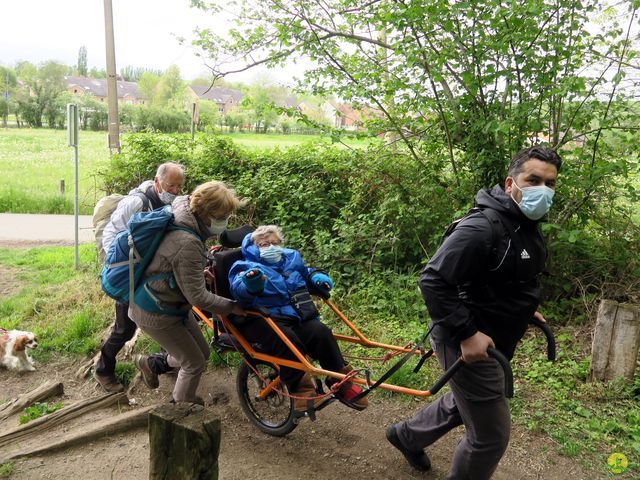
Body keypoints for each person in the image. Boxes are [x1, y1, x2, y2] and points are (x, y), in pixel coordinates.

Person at [386, 146, 561, 478]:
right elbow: (433, 281)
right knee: (490, 437)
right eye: (533, 180)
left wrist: (526, 311)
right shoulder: (482, 227)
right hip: (464, 338)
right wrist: (467, 334)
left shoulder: (524, 222)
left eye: (550, 184)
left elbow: (508, 277)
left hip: (495, 337)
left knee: (467, 401)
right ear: (511, 183)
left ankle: (406, 436)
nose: (543, 190)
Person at [129, 180, 247, 404]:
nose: (224, 222)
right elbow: (198, 297)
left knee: (201, 354)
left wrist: (197, 274)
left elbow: (168, 263)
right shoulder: (189, 242)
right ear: (207, 214)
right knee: (194, 363)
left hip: (167, 300)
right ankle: (181, 409)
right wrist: (232, 307)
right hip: (156, 311)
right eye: (222, 216)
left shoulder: (183, 210)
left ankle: (150, 364)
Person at [228, 225, 368, 412]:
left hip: (295, 315)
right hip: (262, 319)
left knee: (322, 333)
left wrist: (316, 277)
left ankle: (341, 382)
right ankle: (302, 393)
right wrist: (250, 284)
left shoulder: (291, 258)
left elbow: (305, 272)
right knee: (289, 342)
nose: (270, 247)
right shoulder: (246, 266)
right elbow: (238, 289)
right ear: (255, 246)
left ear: (281, 244)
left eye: (274, 243)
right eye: (264, 244)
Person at [95, 162, 186, 393]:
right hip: (131, 275)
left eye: (179, 186)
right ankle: (103, 370)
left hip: (155, 275)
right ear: (157, 182)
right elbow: (111, 233)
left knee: (167, 319)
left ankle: (162, 364)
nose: (175, 191)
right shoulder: (136, 203)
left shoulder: (174, 203)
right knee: (124, 329)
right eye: (170, 185)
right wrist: (120, 268)